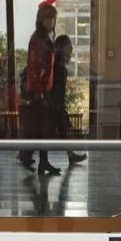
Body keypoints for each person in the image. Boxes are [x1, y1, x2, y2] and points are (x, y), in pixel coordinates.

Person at [18, 0, 60, 176]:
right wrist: (38, 91)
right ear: (41, 20)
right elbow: (35, 67)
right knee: (40, 126)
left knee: (43, 126)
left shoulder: (45, 37)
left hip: (44, 88)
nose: (51, 22)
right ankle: (32, 157)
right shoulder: (38, 40)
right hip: (39, 89)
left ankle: (42, 160)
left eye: (53, 18)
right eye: (48, 18)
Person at [49, 35, 86, 166]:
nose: (71, 48)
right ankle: (70, 156)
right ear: (63, 47)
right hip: (55, 105)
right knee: (61, 129)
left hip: (55, 104)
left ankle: (70, 155)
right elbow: (56, 90)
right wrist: (59, 107)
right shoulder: (59, 67)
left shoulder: (57, 65)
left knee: (62, 129)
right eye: (69, 45)